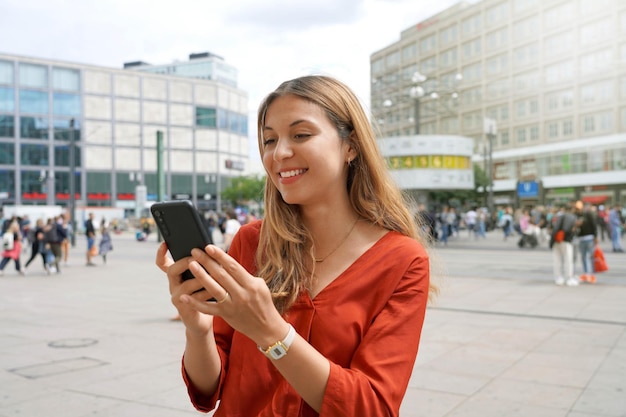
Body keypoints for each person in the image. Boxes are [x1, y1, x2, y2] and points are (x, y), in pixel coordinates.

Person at [155, 75, 434, 416]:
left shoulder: (402, 260)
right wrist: (197, 330)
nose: (279, 153)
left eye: (301, 135)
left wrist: (270, 332)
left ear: (351, 146)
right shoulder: (251, 241)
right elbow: (208, 390)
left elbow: (372, 406)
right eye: (269, 140)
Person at [550, 203, 578, 286]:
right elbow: (567, 229)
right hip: (566, 240)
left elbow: (554, 228)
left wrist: (552, 241)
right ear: (572, 209)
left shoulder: (559, 216)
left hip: (556, 240)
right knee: (568, 260)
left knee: (557, 260)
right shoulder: (572, 217)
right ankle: (569, 277)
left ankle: (558, 277)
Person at [575, 201, 597, 283]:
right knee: (583, 257)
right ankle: (586, 273)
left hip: (589, 238)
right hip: (581, 238)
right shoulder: (577, 215)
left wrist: (595, 236)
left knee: (591, 257)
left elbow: (594, 225)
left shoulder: (588, 214)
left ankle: (592, 275)